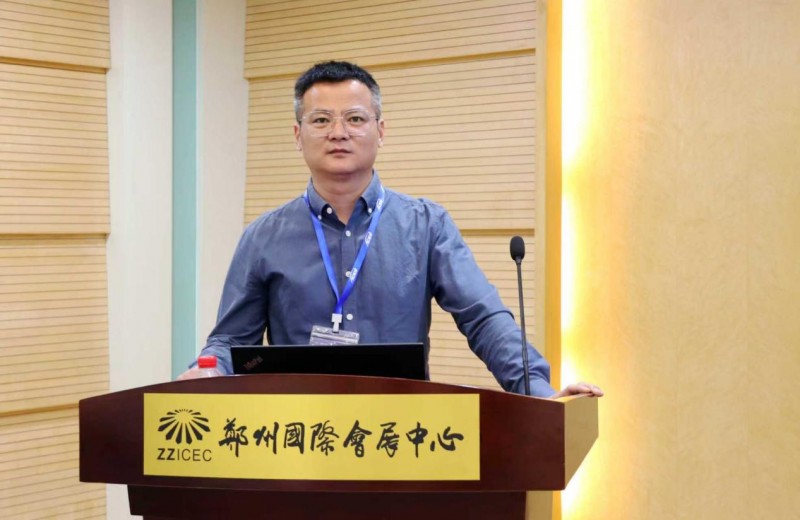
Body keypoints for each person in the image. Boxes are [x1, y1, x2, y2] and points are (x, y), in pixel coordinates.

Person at [179, 60, 602, 399]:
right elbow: (230, 340)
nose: (338, 133)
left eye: (355, 118)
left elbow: (483, 318)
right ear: (297, 135)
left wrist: (538, 391)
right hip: (297, 438)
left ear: (380, 131)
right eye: (321, 120)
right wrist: (206, 369)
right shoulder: (263, 238)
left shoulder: (426, 225)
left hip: (398, 436)